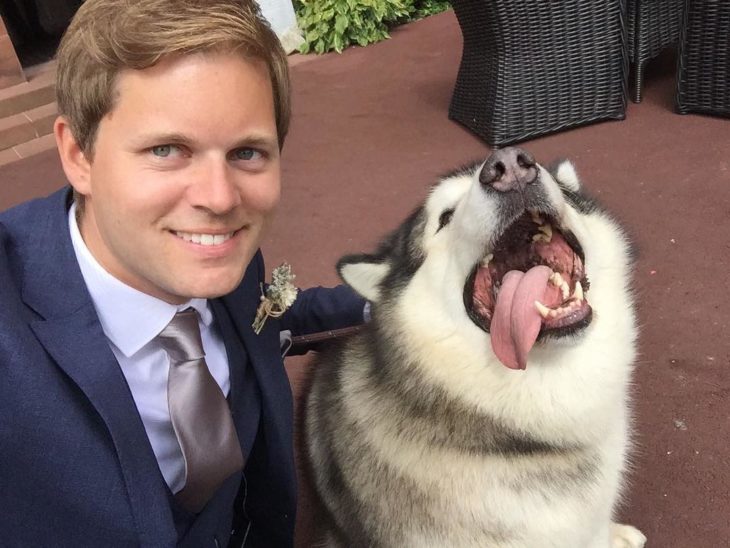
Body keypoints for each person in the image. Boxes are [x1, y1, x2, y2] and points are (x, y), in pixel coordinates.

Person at [0, 1, 366, 546]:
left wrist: (404, 297)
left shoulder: (225, 266)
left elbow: (276, 316)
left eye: (247, 152)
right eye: (167, 150)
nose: (220, 199)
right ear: (78, 155)